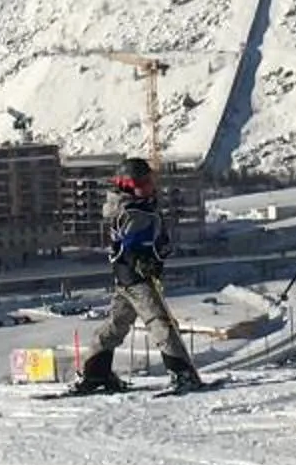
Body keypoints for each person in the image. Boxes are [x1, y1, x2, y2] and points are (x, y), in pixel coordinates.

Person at [72, 158, 205, 396]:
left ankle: (95, 373)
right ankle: (182, 374)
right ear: (126, 185)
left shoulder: (133, 206)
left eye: (148, 181)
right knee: (160, 323)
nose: (148, 186)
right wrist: (148, 260)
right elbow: (132, 245)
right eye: (141, 182)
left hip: (126, 278)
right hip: (138, 278)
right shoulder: (134, 212)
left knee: (116, 325)